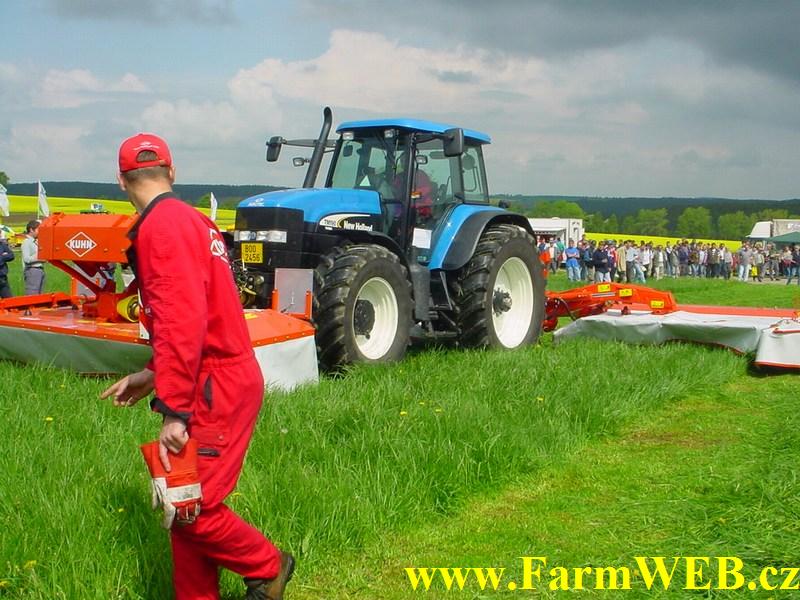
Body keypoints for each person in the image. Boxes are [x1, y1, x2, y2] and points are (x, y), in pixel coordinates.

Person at [100, 133, 294, 600]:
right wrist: (153, 373)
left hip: (212, 383)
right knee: (182, 502)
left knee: (194, 509)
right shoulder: (193, 220)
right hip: (218, 373)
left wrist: (175, 408)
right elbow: (196, 312)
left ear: (121, 180)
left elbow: (180, 321)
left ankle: (268, 566)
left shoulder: (160, 228)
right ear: (172, 172)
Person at [21, 220, 45, 295]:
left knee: (40, 295)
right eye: (38, 229)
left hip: (40, 270)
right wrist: (40, 257)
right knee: (32, 294)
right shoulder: (27, 242)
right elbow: (26, 259)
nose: (40, 232)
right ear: (31, 229)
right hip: (32, 270)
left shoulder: (35, 241)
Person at [0, 232, 14, 298]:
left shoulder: (2, 245)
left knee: (8, 299)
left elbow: (11, 255)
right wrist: (3, 257)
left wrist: (2, 257)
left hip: (3, 278)